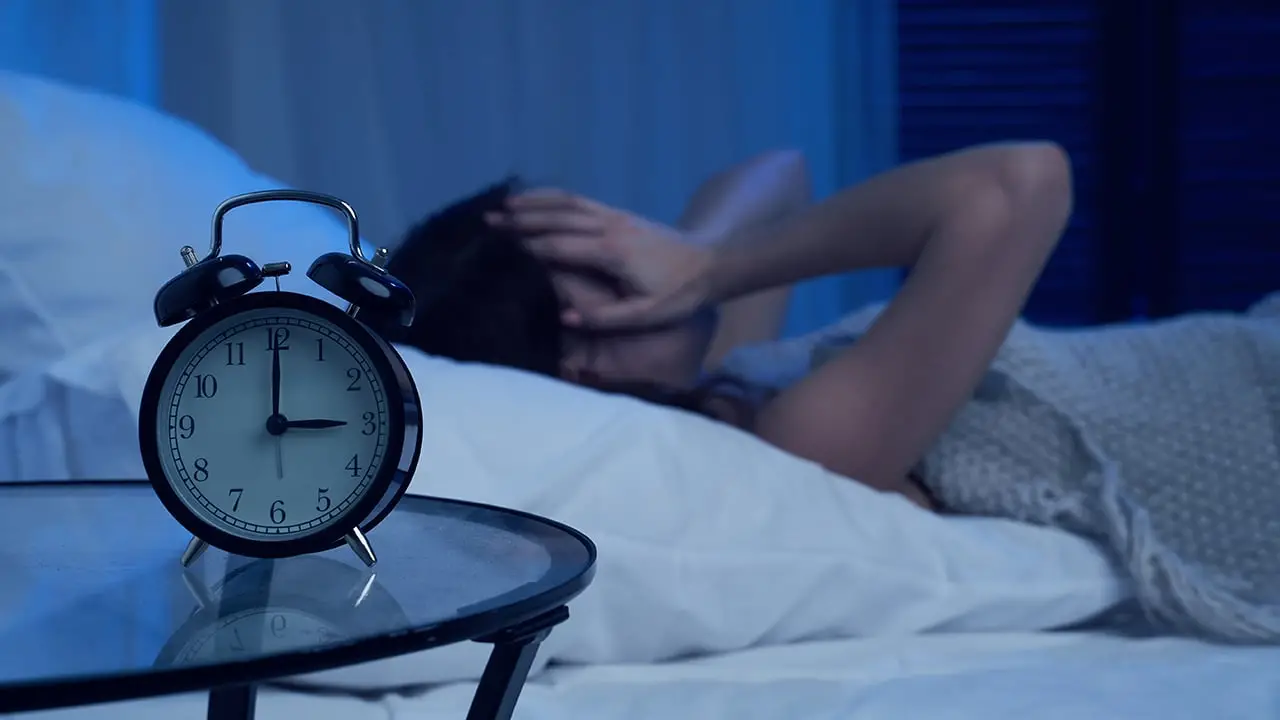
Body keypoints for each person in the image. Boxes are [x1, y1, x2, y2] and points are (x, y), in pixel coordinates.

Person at [389, 142, 1280, 641]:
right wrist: (712, 270)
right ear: (580, 367)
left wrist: (696, 258)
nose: (642, 259)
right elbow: (1021, 183)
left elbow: (777, 175)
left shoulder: (724, 373)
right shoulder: (797, 444)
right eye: (607, 269)